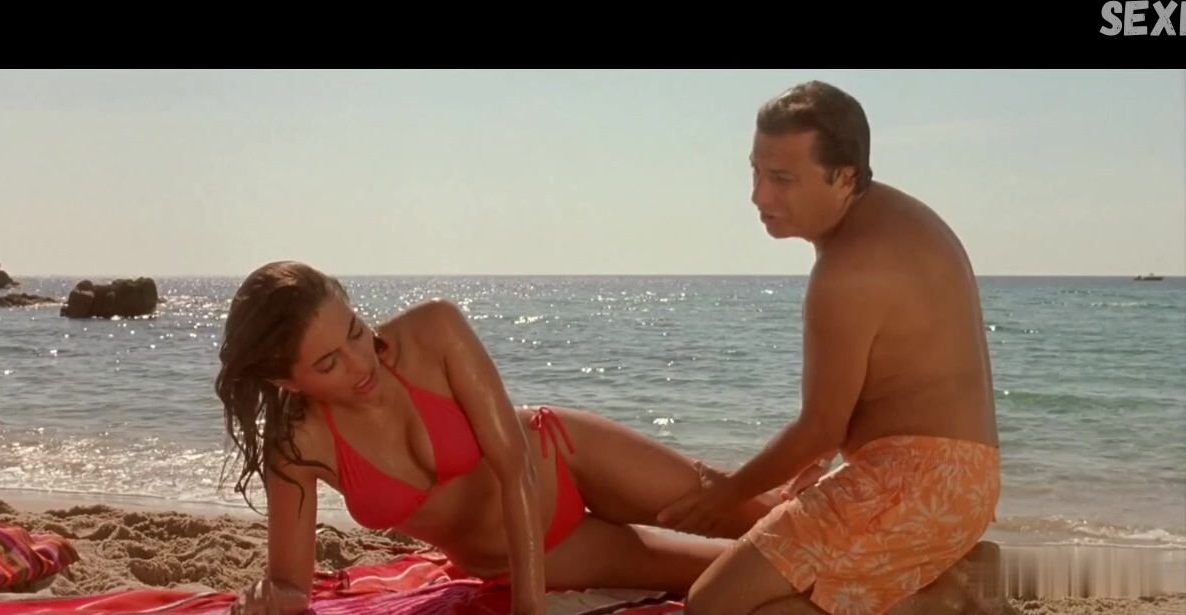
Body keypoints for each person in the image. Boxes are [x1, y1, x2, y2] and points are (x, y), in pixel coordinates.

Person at [216, 261, 805, 615]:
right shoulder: (297, 448)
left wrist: (529, 609)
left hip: (562, 456)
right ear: (285, 381)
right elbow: (291, 582)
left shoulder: (433, 329)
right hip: (532, 553)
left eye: (354, 331)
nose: (360, 361)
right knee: (741, 569)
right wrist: (273, 600)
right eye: (329, 364)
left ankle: (818, 489)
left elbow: (514, 463)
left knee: (753, 514)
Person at [658, 81, 1002, 615]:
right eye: (755, 171)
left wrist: (726, 493)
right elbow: (879, 383)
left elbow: (822, 427)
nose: (758, 196)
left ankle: (933, 601)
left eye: (781, 179)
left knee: (712, 605)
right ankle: (932, 584)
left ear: (844, 176)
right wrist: (808, 472)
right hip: (963, 484)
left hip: (914, 487)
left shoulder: (846, 271)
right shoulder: (900, 217)